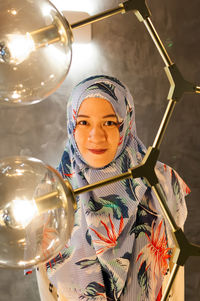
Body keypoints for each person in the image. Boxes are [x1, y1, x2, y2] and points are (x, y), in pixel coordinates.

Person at [36, 75, 190, 301]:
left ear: (126, 122)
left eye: (109, 122)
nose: (95, 136)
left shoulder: (161, 181)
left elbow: (176, 272)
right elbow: (44, 280)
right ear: (71, 124)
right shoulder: (52, 190)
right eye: (84, 122)